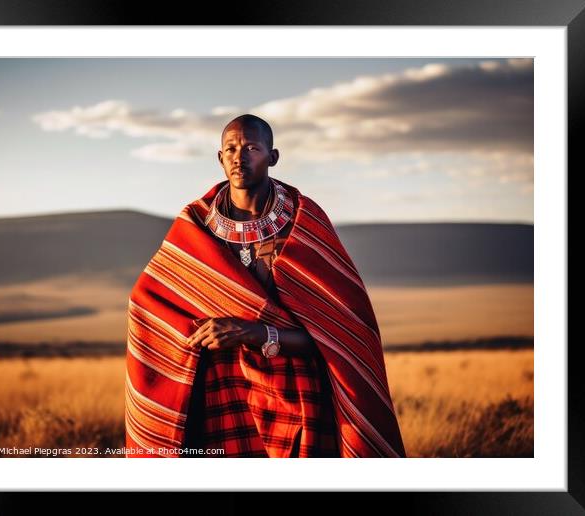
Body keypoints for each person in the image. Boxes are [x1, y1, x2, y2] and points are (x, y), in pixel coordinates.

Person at [124, 114, 406, 458]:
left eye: (251, 148)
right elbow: (148, 305)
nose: (239, 158)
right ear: (219, 158)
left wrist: (255, 333)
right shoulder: (196, 225)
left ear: (272, 157)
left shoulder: (304, 222)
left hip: (298, 393)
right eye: (230, 149)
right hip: (222, 392)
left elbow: (340, 336)